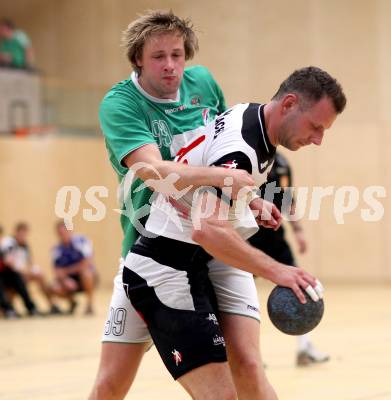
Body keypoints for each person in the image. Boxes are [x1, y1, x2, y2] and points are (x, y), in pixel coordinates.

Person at [122, 66, 346, 398]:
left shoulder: (253, 118)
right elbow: (207, 229)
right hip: (164, 268)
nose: (318, 139)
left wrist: (250, 199)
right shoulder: (242, 150)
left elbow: (218, 173)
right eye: (315, 126)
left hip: (200, 264)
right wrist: (277, 271)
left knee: (251, 369)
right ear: (288, 104)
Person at [89, 10, 264, 400]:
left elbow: (225, 153)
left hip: (214, 243)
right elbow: (152, 171)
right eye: (158, 57)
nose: (170, 66)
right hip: (153, 251)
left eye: (177, 54)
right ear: (137, 58)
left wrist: (250, 198)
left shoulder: (203, 83)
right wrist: (223, 180)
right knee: (110, 383)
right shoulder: (121, 104)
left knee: (249, 365)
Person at [248, 151, 330, 366]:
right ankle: (251, 355)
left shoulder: (281, 163)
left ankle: (304, 348)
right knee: (245, 295)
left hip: (275, 237)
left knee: (300, 286)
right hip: (247, 237)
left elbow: (286, 197)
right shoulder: (244, 155)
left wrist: (298, 230)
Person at [8, 222, 62, 315]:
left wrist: (32, 270)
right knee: (18, 280)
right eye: (21, 234)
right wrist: (26, 272)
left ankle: (52, 304)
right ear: (16, 233)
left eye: (25, 234)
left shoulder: (25, 246)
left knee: (40, 276)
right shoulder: (9, 244)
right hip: (10, 275)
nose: (23, 237)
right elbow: (10, 264)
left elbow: (29, 263)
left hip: (21, 274)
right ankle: (11, 307)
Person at [51, 221, 96, 315]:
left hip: (85, 277)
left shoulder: (82, 241)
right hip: (69, 279)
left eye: (64, 232)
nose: (63, 235)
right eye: (60, 233)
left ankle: (89, 304)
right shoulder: (57, 249)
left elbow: (87, 263)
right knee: (54, 288)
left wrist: (67, 271)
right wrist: (64, 280)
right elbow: (56, 270)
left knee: (86, 273)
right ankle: (72, 302)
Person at [0, 225, 39, 316]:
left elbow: (10, 261)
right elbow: (9, 261)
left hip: (7, 274)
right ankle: (8, 309)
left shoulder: (7, 245)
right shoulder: (9, 244)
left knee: (18, 279)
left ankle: (31, 307)